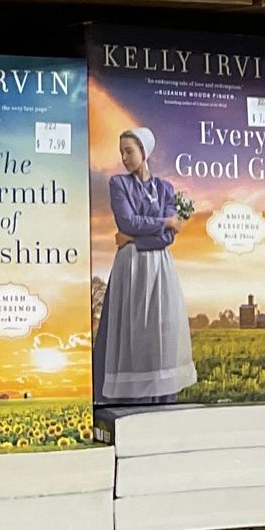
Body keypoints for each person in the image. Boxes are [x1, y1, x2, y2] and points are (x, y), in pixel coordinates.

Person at [95, 126, 195, 405]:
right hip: (131, 267)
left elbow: (168, 238)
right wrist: (163, 222)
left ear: (144, 151)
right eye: (121, 153)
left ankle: (159, 397)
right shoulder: (118, 184)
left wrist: (133, 239)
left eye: (129, 151)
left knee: (159, 330)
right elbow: (128, 221)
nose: (124, 158)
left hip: (159, 267)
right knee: (130, 329)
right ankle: (126, 400)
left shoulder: (165, 188)